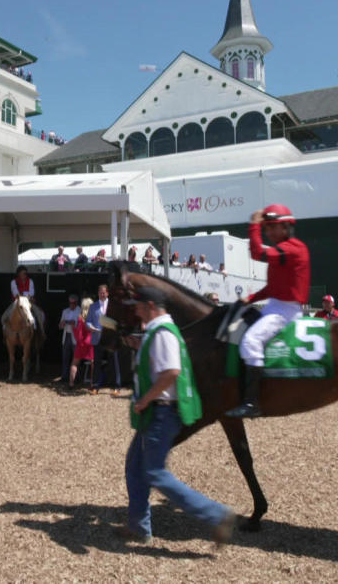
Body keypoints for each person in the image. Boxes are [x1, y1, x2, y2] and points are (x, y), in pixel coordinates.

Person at [118, 286, 234, 546]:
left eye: (137, 305)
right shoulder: (156, 332)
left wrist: (145, 399)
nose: (134, 310)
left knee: (155, 473)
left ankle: (217, 516)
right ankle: (139, 526)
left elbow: (171, 371)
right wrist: (138, 344)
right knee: (135, 466)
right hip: (156, 411)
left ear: (150, 305)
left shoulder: (163, 334)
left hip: (160, 412)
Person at [226, 204, 310, 419]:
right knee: (234, 331)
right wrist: (250, 299)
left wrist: (253, 226)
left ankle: (253, 403)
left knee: (250, 341)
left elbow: (256, 252)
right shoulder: (283, 251)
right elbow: (274, 288)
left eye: (273, 227)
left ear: (287, 226)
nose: (269, 232)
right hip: (275, 305)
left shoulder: (294, 248)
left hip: (286, 311)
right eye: (267, 228)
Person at [87, 284, 121, 394]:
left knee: (114, 362)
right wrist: (91, 328)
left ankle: (116, 386)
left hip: (111, 339)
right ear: (98, 293)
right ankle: (96, 386)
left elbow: (118, 321)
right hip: (97, 338)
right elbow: (88, 321)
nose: (102, 294)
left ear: (107, 293)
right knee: (97, 362)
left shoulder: (114, 305)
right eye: (100, 292)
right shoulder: (93, 306)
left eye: (104, 292)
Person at [1, 265, 46, 337]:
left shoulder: (30, 281)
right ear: (19, 274)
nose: (25, 275)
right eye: (23, 273)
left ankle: (41, 333)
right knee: (4, 317)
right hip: (16, 303)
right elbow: (16, 294)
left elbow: (32, 293)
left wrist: (23, 294)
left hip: (28, 303)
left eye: (25, 273)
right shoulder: (13, 282)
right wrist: (25, 294)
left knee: (40, 314)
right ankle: (5, 334)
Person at [68, 298, 95, 388]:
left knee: (74, 363)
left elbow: (79, 335)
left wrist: (73, 328)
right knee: (93, 363)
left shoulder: (81, 318)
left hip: (81, 344)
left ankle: (71, 383)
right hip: (91, 343)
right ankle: (92, 384)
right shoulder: (94, 317)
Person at [57, 294, 80, 384]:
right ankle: (64, 376)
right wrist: (62, 324)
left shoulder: (80, 311)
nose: (71, 304)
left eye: (73, 303)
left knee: (76, 358)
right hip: (67, 335)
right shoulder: (65, 311)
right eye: (70, 303)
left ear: (76, 303)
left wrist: (73, 323)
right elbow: (60, 325)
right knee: (65, 357)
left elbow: (79, 325)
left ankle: (76, 377)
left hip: (75, 337)